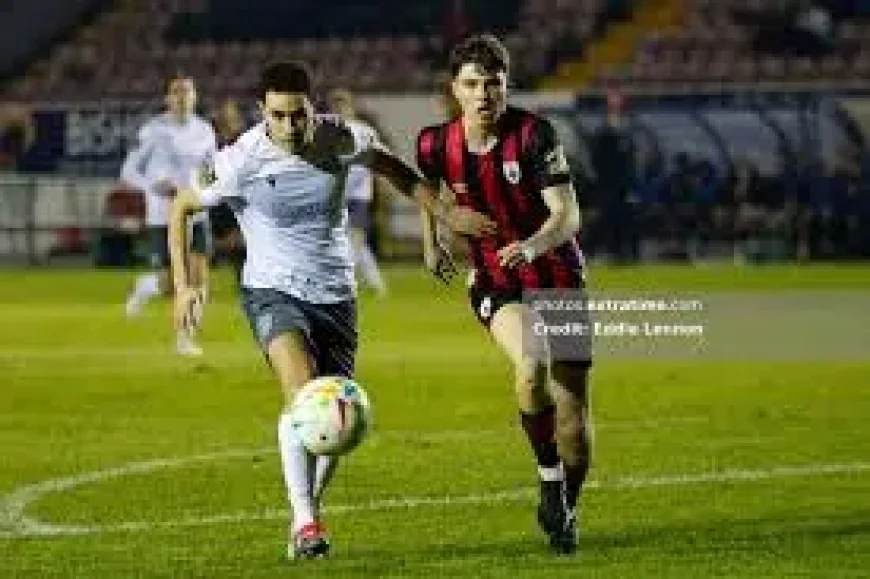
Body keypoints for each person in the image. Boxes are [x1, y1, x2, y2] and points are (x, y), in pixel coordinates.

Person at [167, 61, 492, 560]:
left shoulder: (342, 138)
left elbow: (400, 173)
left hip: (337, 295)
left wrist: (441, 221)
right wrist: (187, 285)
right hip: (273, 291)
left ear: (310, 108)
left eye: (299, 115)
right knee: (304, 396)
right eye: (279, 116)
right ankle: (305, 523)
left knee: (339, 418)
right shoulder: (239, 159)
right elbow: (181, 209)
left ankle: (306, 514)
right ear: (263, 112)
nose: (291, 126)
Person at [416, 34, 592, 555]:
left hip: (557, 276)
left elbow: (568, 215)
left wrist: (533, 246)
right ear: (455, 90)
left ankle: (564, 505)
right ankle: (548, 480)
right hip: (496, 281)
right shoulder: (434, 143)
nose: (484, 95)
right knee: (530, 364)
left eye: (493, 84)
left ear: (506, 86)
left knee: (574, 427)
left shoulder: (535, 135)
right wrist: (433, 243)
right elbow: (425, 190)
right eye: (472, 85)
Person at [121, 72, 217, 356]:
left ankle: (185, 338)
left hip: (197, 212)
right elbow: (128, 171)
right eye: (176, 92)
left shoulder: (205, 131)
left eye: (187, 92)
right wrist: (154, 186)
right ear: (167, 98)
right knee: (170, 283)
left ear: (195, 97)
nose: (182, 97)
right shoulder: (153, 130)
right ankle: (146, 286)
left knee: (199, 280)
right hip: (164, 215)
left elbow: (212, 170)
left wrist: (212, 189)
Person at [327, 88, 388, 296]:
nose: (339, 108)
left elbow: (381, 159)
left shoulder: (365, 131)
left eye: (342, 104)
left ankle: (345, 285)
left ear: (351, 106)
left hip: (359, 196)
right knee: (354, 244)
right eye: (335, 105)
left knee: (356, 239)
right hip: (336, 196)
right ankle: (377, 285)